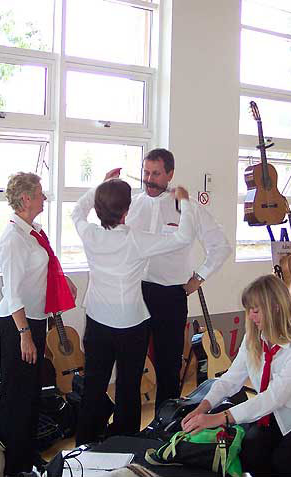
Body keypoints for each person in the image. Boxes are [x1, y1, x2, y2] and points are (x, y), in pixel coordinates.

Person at [72, 171, 196, 445]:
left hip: (98, 322)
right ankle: (125, 446)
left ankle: (83, 448)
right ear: (127, 210)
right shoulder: (137, 239)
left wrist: (100, 187)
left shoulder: (90, 234)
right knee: (129, 388)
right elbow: (184, 237)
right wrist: (185, 201)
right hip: (131, 325)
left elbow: (76, 211)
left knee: (94, 386)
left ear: (100, 208)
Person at [181, 274, 291, 476]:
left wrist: (219, 418)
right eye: (249, 311)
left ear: (276, 307)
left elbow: (274, 398)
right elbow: (230, 379)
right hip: (271, 417)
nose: (251, 317)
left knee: (284, 461)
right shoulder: (253, 339)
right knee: (250, 453)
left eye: (255, 311)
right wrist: (204, 407)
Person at [123, 148, 231, 409]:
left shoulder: (188, 209)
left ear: (170, 174)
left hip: (170, 296)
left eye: (156, 173)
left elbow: (221, 247)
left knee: (168, 366)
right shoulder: (133, 204)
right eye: (146, 172)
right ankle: (125, 432)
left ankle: (164, 426)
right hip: (133, 292)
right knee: (130, 364)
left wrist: (199, 277)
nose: (149, 178)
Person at [0, 172, 77, 476]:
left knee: (31, 394)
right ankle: (15, 465)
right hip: (18, 324)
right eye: (41, 193)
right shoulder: (13, 238)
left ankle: (28, 456)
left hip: (35, 319)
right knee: (17, 396)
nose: (45, 198)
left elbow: (39, 269)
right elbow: (12, 292)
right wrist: (24, 335)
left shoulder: (33, 231)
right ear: (27, 198)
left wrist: (63, 281)